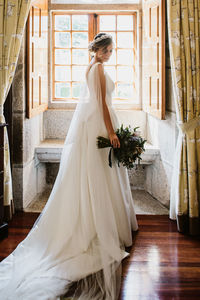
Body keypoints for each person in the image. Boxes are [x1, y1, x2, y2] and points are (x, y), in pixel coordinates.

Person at [0, 32, 138, 300]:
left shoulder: (92, 65)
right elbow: (101, 104)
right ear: (97, 51)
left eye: (111, 50)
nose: (109, 54)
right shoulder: (97, 68)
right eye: (106, 50)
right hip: (99, 123)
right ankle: (99, 225)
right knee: (100, 174)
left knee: (100, 174)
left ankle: (104, 219)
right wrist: (111, 132)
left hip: (93, 124)